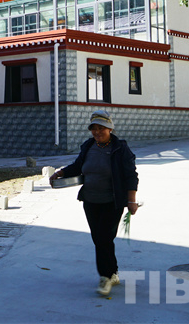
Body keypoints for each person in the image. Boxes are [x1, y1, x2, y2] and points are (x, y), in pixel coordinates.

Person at [49, 109, 139, 296]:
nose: (97, 132)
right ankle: (113, 272)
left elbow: (131, 175)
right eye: (94, 128)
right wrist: (61, 172)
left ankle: (105, 277)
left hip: (112, 202)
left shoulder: (120, 148)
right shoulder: (88, 146)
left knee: (103, 238)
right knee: (100, 239)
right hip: (90, 201)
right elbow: (78, 166)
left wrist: (131, 200)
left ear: (110, 128)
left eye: (101, 128)